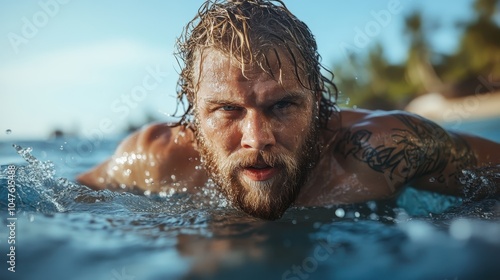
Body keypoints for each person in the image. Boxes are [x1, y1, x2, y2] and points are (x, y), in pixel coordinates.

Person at [77, 0, 500, 220]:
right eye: (226, 110)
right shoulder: (156, 159)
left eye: (282, 105)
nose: (257, 138)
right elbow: (66, 203)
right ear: (193, 110)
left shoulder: (382, 150)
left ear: (318, 99)